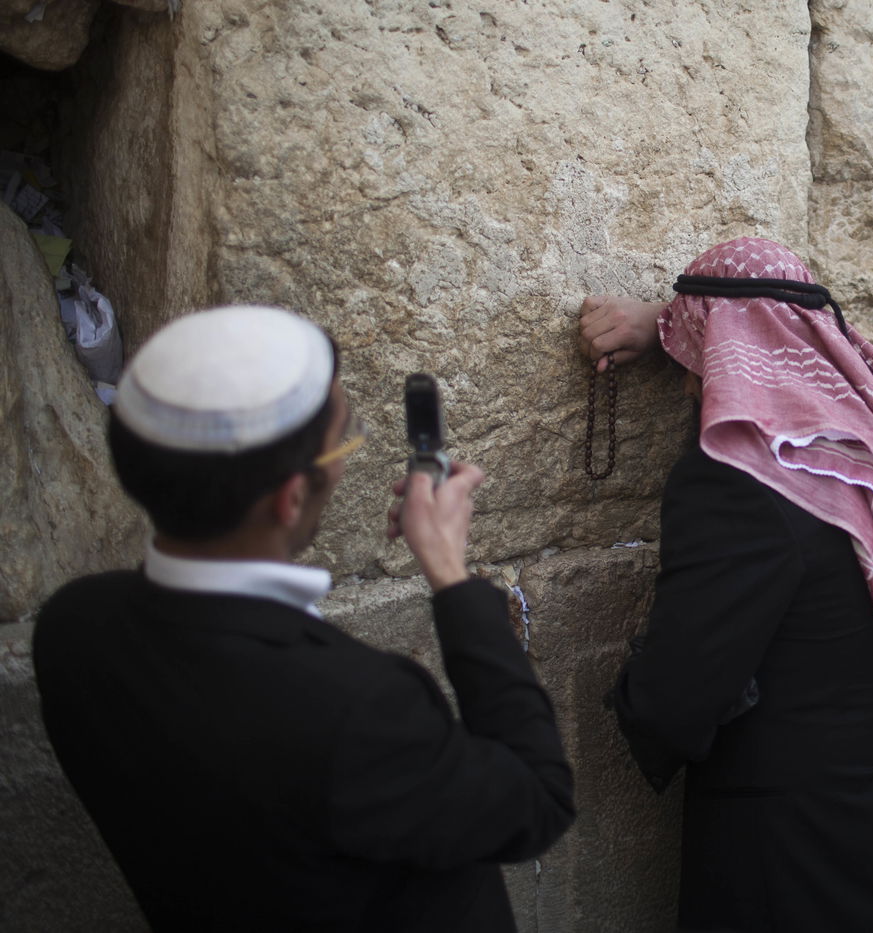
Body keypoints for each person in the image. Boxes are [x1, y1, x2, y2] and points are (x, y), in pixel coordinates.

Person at [33, 306, 574, 932]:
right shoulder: (358, 710)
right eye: (344, 439)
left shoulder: (72, 627)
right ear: (290, 496)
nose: (347, 456)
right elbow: (537, 802)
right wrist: (451, 576)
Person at [579, 237, 873, 932]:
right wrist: (663, 325)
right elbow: (763, 323)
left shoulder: (735, 479)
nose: (692, 380)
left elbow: (676, 697)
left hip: (805, 871)